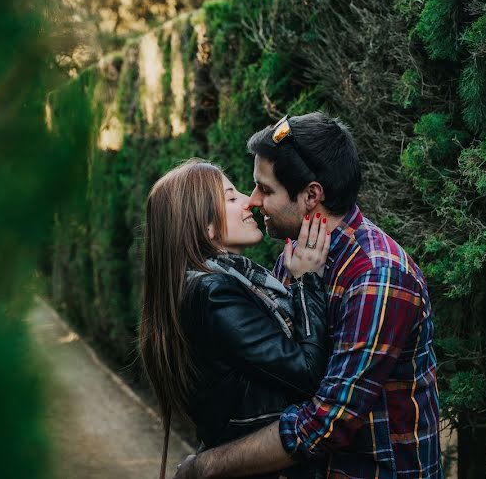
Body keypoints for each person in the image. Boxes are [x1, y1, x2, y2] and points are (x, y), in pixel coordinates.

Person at [174, 113, 442, 478]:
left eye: (265, 190)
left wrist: (205, 465)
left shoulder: (378, 277)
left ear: (311, 195)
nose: (253, 202)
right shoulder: (297, 259)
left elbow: (326, 424)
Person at [138, 159, 334, 479]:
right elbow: (308, 372)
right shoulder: (213, 293)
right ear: (206, 226)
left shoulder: (219, 285)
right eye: (231, 198)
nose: (249, 201)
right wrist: (308, 280)